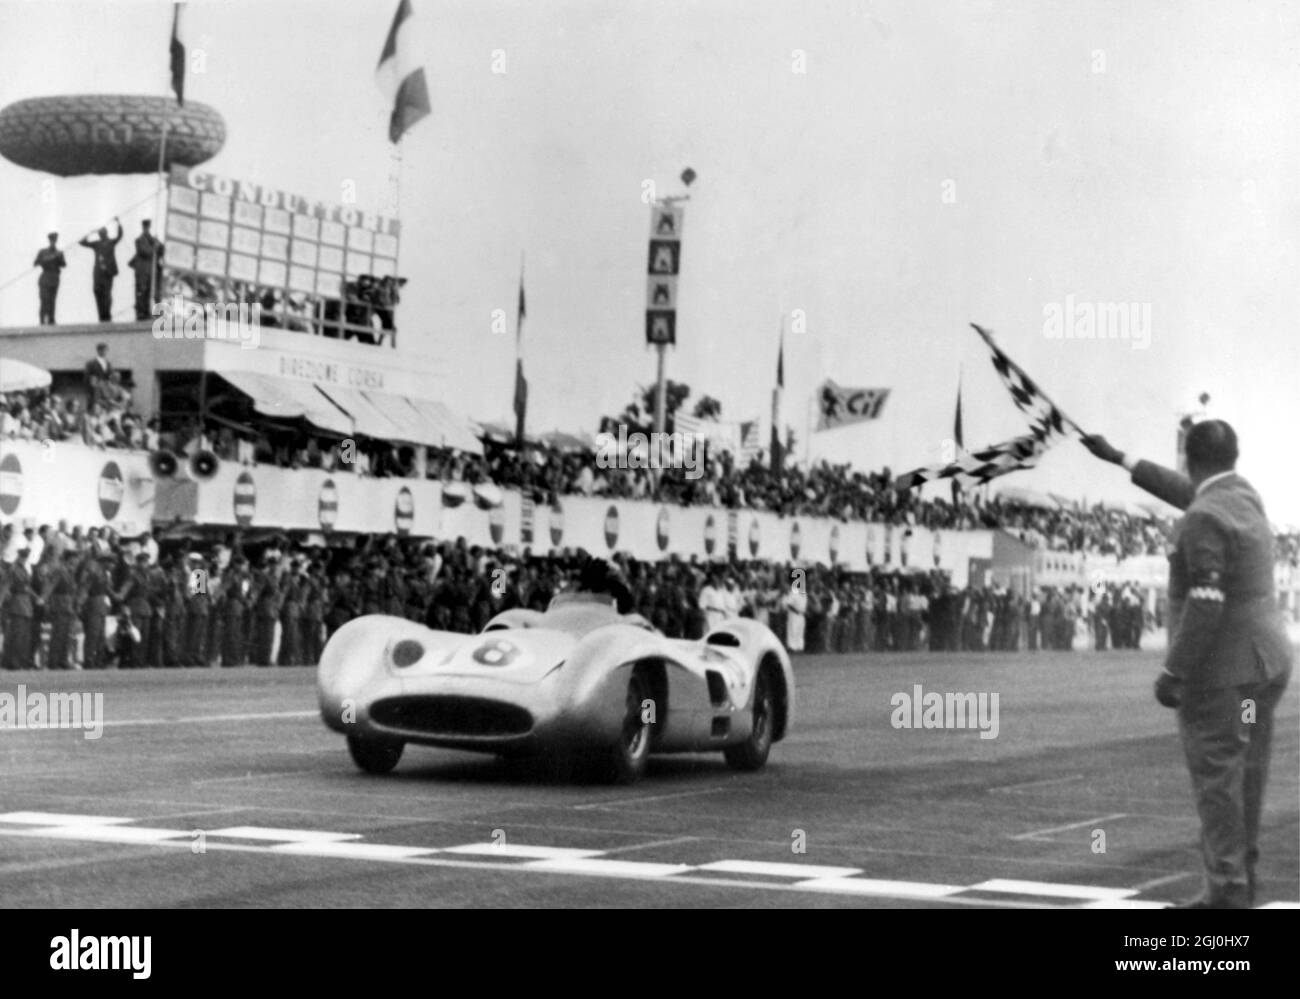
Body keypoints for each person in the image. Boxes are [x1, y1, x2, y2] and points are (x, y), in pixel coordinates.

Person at [1083, 423, 1293, 908]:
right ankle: (1238, 885)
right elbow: (1195, 493)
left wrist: (1174, 672)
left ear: (1188, 458)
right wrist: (1121, 458)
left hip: (1226, 677)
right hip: (1264, 671)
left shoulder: (1202, 517)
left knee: (1219, 781)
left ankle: (1227, 897)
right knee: (1246, 774)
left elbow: (1205, 600)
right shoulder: (1243, 497)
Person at [79, 219, 123, 321]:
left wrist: (118, 223)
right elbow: (82, 242)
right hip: (99, 274)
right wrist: (90, 233)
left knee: (106, 294)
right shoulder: (97, 244)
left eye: (102, 233)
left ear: (106, 233)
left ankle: (106, 315)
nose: (101, 235)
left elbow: (120, 235)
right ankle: (102, 315)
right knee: (99, 293)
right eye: (100, 234)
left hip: (108, 273)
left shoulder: (110, 242)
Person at [128, 220, 164, 321]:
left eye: (148, 227)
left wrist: (158, 243)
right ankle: (141, 313)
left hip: (151, 272)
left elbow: (161, 251)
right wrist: (154, 247)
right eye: (145, 227)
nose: (147, 229)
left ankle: (148, 312)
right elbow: (145, 252)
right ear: (143, 228)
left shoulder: (152, 240)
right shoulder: (139, 240)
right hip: (142, 272)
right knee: (141, 292)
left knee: (149, 292)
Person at [34, 232, 67, 324]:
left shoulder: (59, 252)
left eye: (54, 240)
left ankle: (51, 320)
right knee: (44, 299)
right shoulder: (43, 252)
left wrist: (58, 257)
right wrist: (47, 259)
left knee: (52, 300)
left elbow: (64, 264)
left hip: (54, 279)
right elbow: (36, 263)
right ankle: (42, 321)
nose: (53, 242)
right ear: (49, 240)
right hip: (45, 278)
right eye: (52, 240)